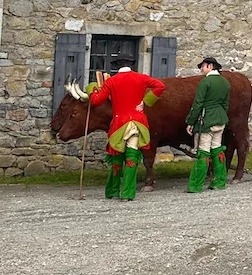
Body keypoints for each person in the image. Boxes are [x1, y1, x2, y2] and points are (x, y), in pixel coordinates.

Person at [87, 54, 166, 201]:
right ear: (131, 64)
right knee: (132, 156)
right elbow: (160, 86)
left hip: (119, 124)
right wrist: (146, 101)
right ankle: (128, 194)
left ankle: (112, 191)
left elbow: (96, 101)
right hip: (137, 122)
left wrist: (92, 88)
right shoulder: (141, 78)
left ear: (116, 65)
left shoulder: (111, 81)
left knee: (116, 158)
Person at [185, 56, 232, 193]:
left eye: (203, 66)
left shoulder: (205, 83)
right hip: (220, 119)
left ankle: (196, 185)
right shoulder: (225, 83)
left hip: (207, 120)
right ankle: (219, 181)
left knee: (203, 151)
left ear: (210, 66)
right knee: (217, 149)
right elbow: (225, 104)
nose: (201, 69)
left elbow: (198, 104)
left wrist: (190, 122)